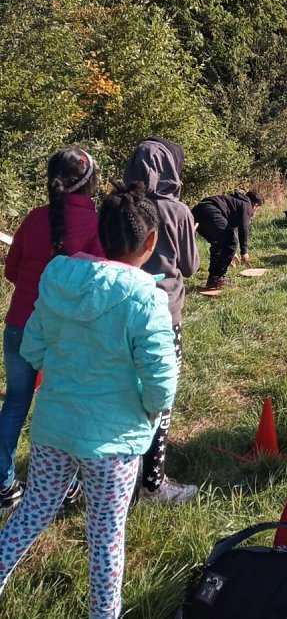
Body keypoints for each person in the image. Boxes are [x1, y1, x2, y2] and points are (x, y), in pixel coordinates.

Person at [0, 182, 178, 618]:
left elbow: (34, 347)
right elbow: (162, 382)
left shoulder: (58, 278)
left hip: (54, 429)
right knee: (106, 539)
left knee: (30, 515)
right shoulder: (147, 299)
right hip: (114, 445)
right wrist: (148, 413)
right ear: (151, 242)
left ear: (102, 231)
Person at [0, 147, 102, 514]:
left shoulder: (33, 218)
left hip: (18, 324)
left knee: (15, 403)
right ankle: (66, 486)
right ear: (90, 182)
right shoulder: (94, 224)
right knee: (60, 408)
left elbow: (12, 271)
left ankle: (3, 485)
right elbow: (100, 282)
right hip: (64, 334)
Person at [123, 137, 199, 504]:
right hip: (164, 315)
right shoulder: (177, 210)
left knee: (125, 393)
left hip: (121, 311)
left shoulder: (119, 206)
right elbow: (191, 266)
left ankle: (125, 473)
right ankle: (153, 483)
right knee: (160, 397)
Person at [192, 189, 264, 289]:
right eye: (257, 209)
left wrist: (230, 252)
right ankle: (218, 278)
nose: (254, 212)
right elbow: (244, 228)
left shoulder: (235, 202)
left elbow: (228, 229)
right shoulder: (247, 204)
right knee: (231, 242)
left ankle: (213, 279)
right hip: (210, 211)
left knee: (219, 244)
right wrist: (244, 252)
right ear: (255, 205)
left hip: (198, 212)